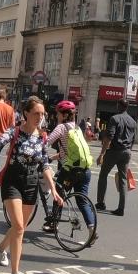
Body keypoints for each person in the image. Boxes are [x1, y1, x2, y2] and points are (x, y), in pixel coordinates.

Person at [0, 96, 64, 274]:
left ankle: (0, 248)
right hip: (12, 181)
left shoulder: (42, 137)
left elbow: (45, 164)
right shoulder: (15, 132)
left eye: (42, 114)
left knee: (18, 227)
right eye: (36, 113)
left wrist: (54, 189)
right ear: (26, 114)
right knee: (20, 227)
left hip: (31, 183)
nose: (40, 117)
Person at [44, 100, 96, 237]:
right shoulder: (77, 128)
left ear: (64, 115)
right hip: (85, 170)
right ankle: (92, 229)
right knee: (82, 200)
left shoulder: (61, 127)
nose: (56, 116)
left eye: (58, 113)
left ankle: (53, 223)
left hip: (70, 171)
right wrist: (52, 158)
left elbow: (46, 142)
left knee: (58, 193)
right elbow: (68, 152)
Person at [95, 101, 136, 215]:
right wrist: (129, 150)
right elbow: (133, 139)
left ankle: (101, 203)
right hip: (127, 151)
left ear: (119, 106)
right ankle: (121, 208)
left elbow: (109, 137)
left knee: (103, 174)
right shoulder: (133, 121)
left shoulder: (114, 118)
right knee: (123, 179)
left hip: (114, 151)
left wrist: (102, 154)